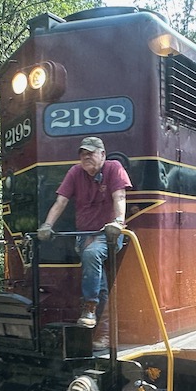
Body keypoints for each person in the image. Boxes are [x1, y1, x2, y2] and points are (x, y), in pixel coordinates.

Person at [37, 136, 131, 328]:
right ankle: (102, 332)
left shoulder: (114, 168)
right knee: (99, 276)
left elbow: (120, 196)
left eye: (90, 153)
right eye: (83, 154)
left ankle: (89, 307)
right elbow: (61, 202)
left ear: (102, 154)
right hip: (85, 235)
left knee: (92, 254)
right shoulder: (75, 172)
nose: (86, 157)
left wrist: (118, 222)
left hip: (109, 233)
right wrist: (47, 225)